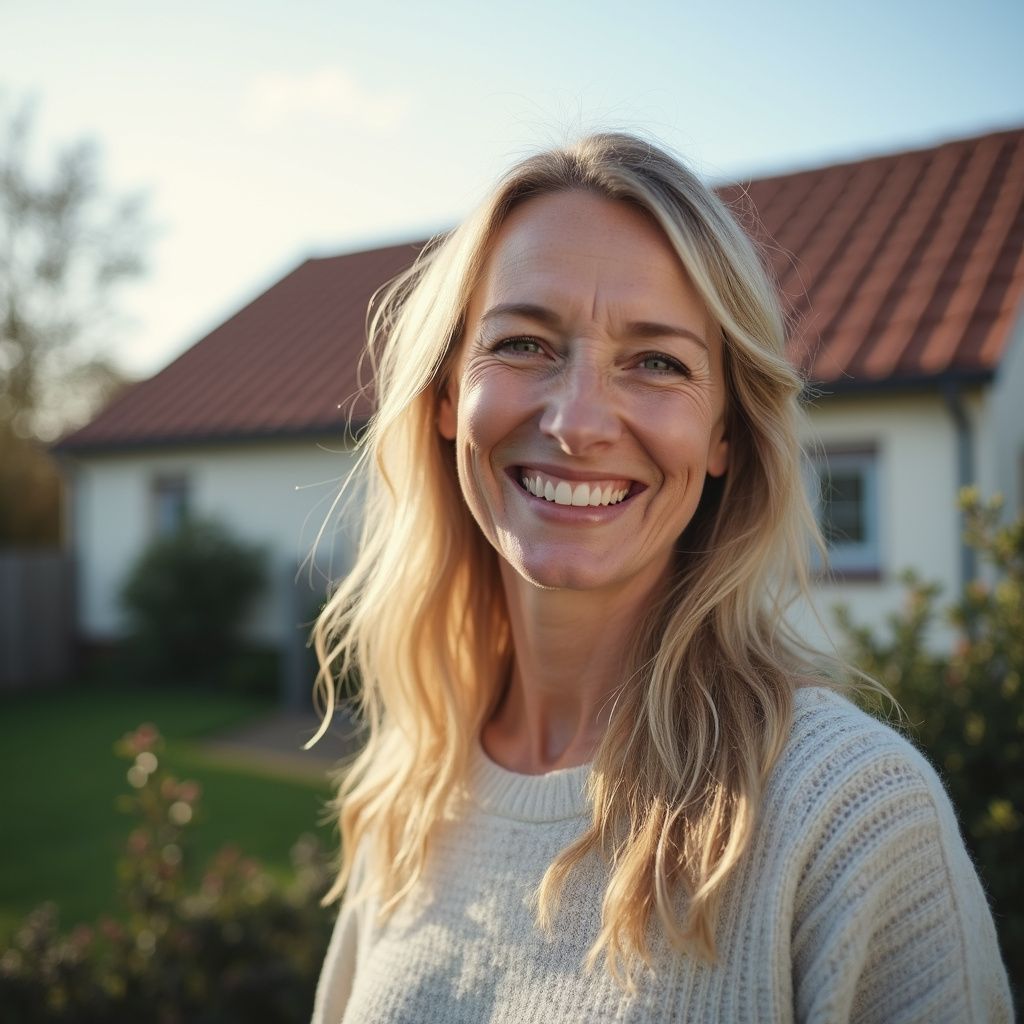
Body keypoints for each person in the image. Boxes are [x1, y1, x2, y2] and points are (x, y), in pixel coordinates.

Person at [308, 133, 1012, 1023]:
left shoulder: (848, 815)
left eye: (656, 363)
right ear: (447, 397)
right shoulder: (412, 792)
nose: (577, 422)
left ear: (725, 435)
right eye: (523, 343)